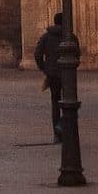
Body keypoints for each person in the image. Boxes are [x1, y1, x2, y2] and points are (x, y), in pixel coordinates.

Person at [33, 13, 64, 141]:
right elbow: (77, 53)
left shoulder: (46, 37)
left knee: (55, 103)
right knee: (72, 103)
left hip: (52, 74)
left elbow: (37, 54)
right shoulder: (70, 36)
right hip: (67, 75)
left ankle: (57, 133)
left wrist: (44, 69)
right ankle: (63, 126)